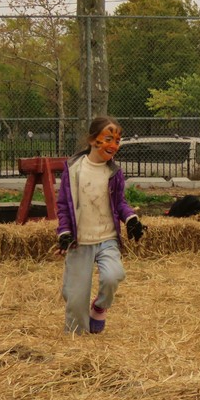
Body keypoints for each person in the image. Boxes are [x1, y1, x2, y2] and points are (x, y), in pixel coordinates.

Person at [56, 116, 145, 334]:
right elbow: (63, 205)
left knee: (113, 275)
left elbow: (120, 203)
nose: (114, 146)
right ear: (93, 139)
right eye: (108, 139)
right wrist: (64, 232)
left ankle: (100, 306)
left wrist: (131, 219)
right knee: (75, 298)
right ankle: (79, 339)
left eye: (117, 141)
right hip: (81, 241)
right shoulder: (74, 169)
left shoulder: (113, 173)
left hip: (107, 238)